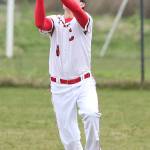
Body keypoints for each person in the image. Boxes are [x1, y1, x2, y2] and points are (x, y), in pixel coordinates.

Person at [34, 0, 101, 150]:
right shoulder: (55, 21)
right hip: (60, 88)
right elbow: (40, 23)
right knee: (70, 142)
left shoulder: (85, 20)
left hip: (83, 83)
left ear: (82, 4)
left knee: (91, 114)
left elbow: (74, 8)